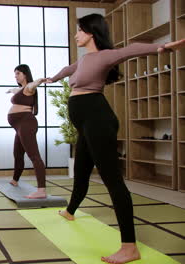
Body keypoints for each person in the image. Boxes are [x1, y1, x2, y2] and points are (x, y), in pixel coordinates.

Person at [47, 13, 185, 263]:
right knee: (81, 170)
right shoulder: (85, 60)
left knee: (113, 181)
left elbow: (132, 50)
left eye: (79, 30)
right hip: (86, 123)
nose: (76, 35)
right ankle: (70, 211)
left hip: (98, 120)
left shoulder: (106, 55)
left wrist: (162, 47)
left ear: (90, 32)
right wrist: (51, 78)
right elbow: (69, 69)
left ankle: (129, 246)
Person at [6, 64, 47, 199]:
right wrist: (11, 90)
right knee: (17, 154)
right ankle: (15, 180)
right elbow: (15, 90)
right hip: (19, 126)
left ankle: (41, 190)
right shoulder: (20, 89)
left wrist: (39, 81)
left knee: (34, 156)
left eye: (18, 73)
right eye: (14, 74)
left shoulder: (29, 87)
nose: (15, 76)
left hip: (26, 124)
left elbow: (32, 85)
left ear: (25, 74)